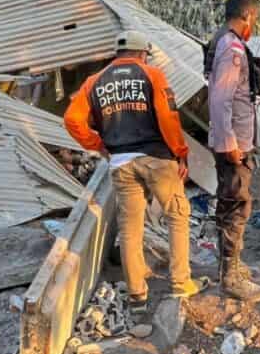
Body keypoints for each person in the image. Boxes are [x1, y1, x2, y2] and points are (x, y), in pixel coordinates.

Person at [64, 30, 203, 313]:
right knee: (176, 216)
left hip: (121, 163)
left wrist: (98, 144)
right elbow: (167, 116)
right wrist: (180, 152)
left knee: (130, 230)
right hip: (156, 159)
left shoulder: (94, 82)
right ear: (142, 54)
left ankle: (137, 295)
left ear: (118, 54)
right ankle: (180, 282)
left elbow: (72, 119)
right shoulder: (152, 75)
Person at [206, 0, 260, 303]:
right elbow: (220, 98)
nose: (252, 28)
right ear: (246, 18)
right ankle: (230, 278)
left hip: (234, 141)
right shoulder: (231, 47)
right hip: (235, 145)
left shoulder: (222, 41)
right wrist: (229, 142)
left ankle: (232, 266)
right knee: (236, 205)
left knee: (231, 202)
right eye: (253, 22)